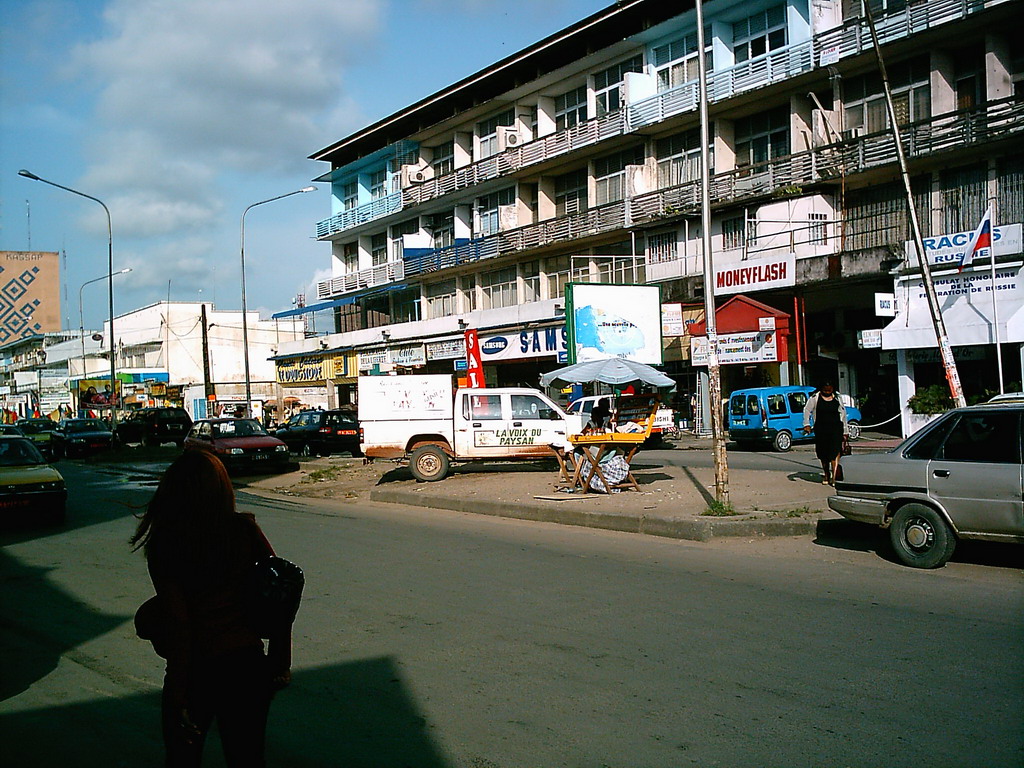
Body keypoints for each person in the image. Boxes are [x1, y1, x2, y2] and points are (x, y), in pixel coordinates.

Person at [130, 450, 291, 767]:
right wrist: (279, 662)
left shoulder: (167, 544)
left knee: (183, 758)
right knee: (247, 759)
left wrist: (178, 693)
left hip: (197, 670)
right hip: (246, 666)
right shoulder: (244, 531)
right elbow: (280, 594)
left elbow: (180, 624)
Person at [803, 382, 848, 485]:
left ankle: (834, 477)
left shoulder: (837, 397)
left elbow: (843, 414)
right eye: (825, 390)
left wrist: (845, 431)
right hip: (821, 430)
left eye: (829, 390)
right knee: (823, 454)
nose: (827, 392)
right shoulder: (815, 398)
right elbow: (807, 410)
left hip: (836, 429)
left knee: (835, 452)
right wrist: (806, 424)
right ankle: (827, 474)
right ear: (821, 389)